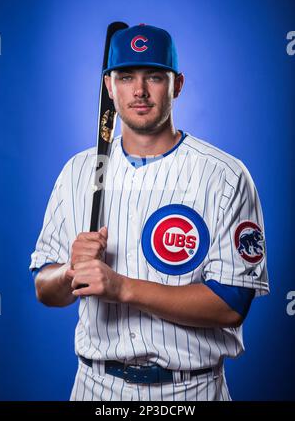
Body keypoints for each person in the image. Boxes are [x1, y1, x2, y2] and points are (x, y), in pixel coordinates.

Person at [30, 24, 269, 401]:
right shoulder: (78, 172)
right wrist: (70, 272)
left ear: (177, 85)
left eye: (154, 76)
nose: (139, 91)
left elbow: (231, 305)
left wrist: (122, 288)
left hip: (191, 390)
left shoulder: (225, 176)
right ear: (110, 87)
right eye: (126, 77)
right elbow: (44, 287)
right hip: (96, 388)